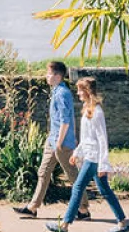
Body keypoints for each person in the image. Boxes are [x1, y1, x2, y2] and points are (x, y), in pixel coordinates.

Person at [46, 76, 129, 232]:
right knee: (105, 191)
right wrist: (77, 153)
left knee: (78, 187)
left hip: (94, 158)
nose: (77, 93)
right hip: (90, 156)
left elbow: (102, 139)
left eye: (80, 90)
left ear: (87, 91)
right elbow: (87, 138)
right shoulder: (88, 110)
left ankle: (64, 225)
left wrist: (103, 164)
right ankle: (123, 222)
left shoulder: (97, 112)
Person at [13, 60, 91, 220]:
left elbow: (65, 120)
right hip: (53, 140)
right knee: (43, 172)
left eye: (48, 73)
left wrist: (60, 142)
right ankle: (32, 207)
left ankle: (83, 210)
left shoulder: (62, 93)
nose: (46, 76)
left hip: (61, 143)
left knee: (72, 175)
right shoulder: (56, 91)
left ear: (57, 75)